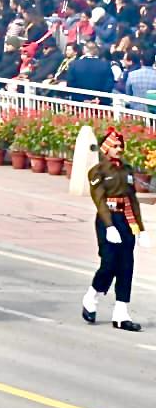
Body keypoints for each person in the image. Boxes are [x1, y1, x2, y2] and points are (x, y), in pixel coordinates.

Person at [82, 128, 148, 331]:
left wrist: (141, 229)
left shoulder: (126, 170)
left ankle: (121, 313)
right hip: (107, 220)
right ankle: (92, 296)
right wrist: (109, 226)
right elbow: (99, 200)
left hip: (126, 220)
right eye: (115, 146)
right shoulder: (98, 172)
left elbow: (132, 199)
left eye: (121, 146)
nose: (119, 149)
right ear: (106, 149)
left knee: (126, 265)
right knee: (109, 263)